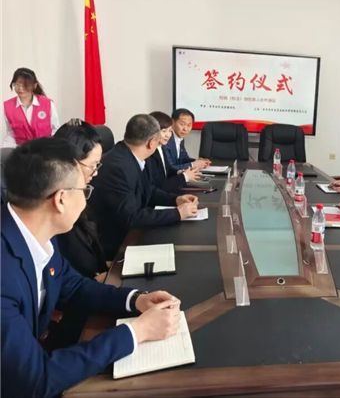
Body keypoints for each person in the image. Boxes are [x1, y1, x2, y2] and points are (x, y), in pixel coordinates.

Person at [1, 137, 181, 398]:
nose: (87, 200)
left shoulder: (35, 234)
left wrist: (136, 300)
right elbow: (36, 380)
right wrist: (137, 332)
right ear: (61, 199)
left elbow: (72, 286)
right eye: (84, 190)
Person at [88, 114, 199, 259]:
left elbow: (148, 190)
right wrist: (177, 213)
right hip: (118, 242)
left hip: (132, 229)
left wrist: (175, 200)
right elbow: (131, 217)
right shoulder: (118, 168)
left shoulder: (131, 155)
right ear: (152, 142)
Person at [53, 119, 107, 279]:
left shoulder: (80, 193)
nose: (95, 172)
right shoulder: (58, 208)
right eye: (92, 165)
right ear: (70, 163)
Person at [4, 68, 60, 147]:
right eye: (17, 84)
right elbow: (11, 133)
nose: (21, 88)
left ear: (34, 85)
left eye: (25, 85)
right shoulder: (7, 106)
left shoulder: (47, 104)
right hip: (21, 150)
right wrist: (7, 149)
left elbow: (56, 130)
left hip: (45, 149)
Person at [147, 111, 202, 193]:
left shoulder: (160, 147)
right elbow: (160, 185)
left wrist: (179, 172)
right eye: (164, 131)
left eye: (170, 131)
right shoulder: (150, 153)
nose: (168, 135)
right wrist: (185, 177)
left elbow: (167, 169)